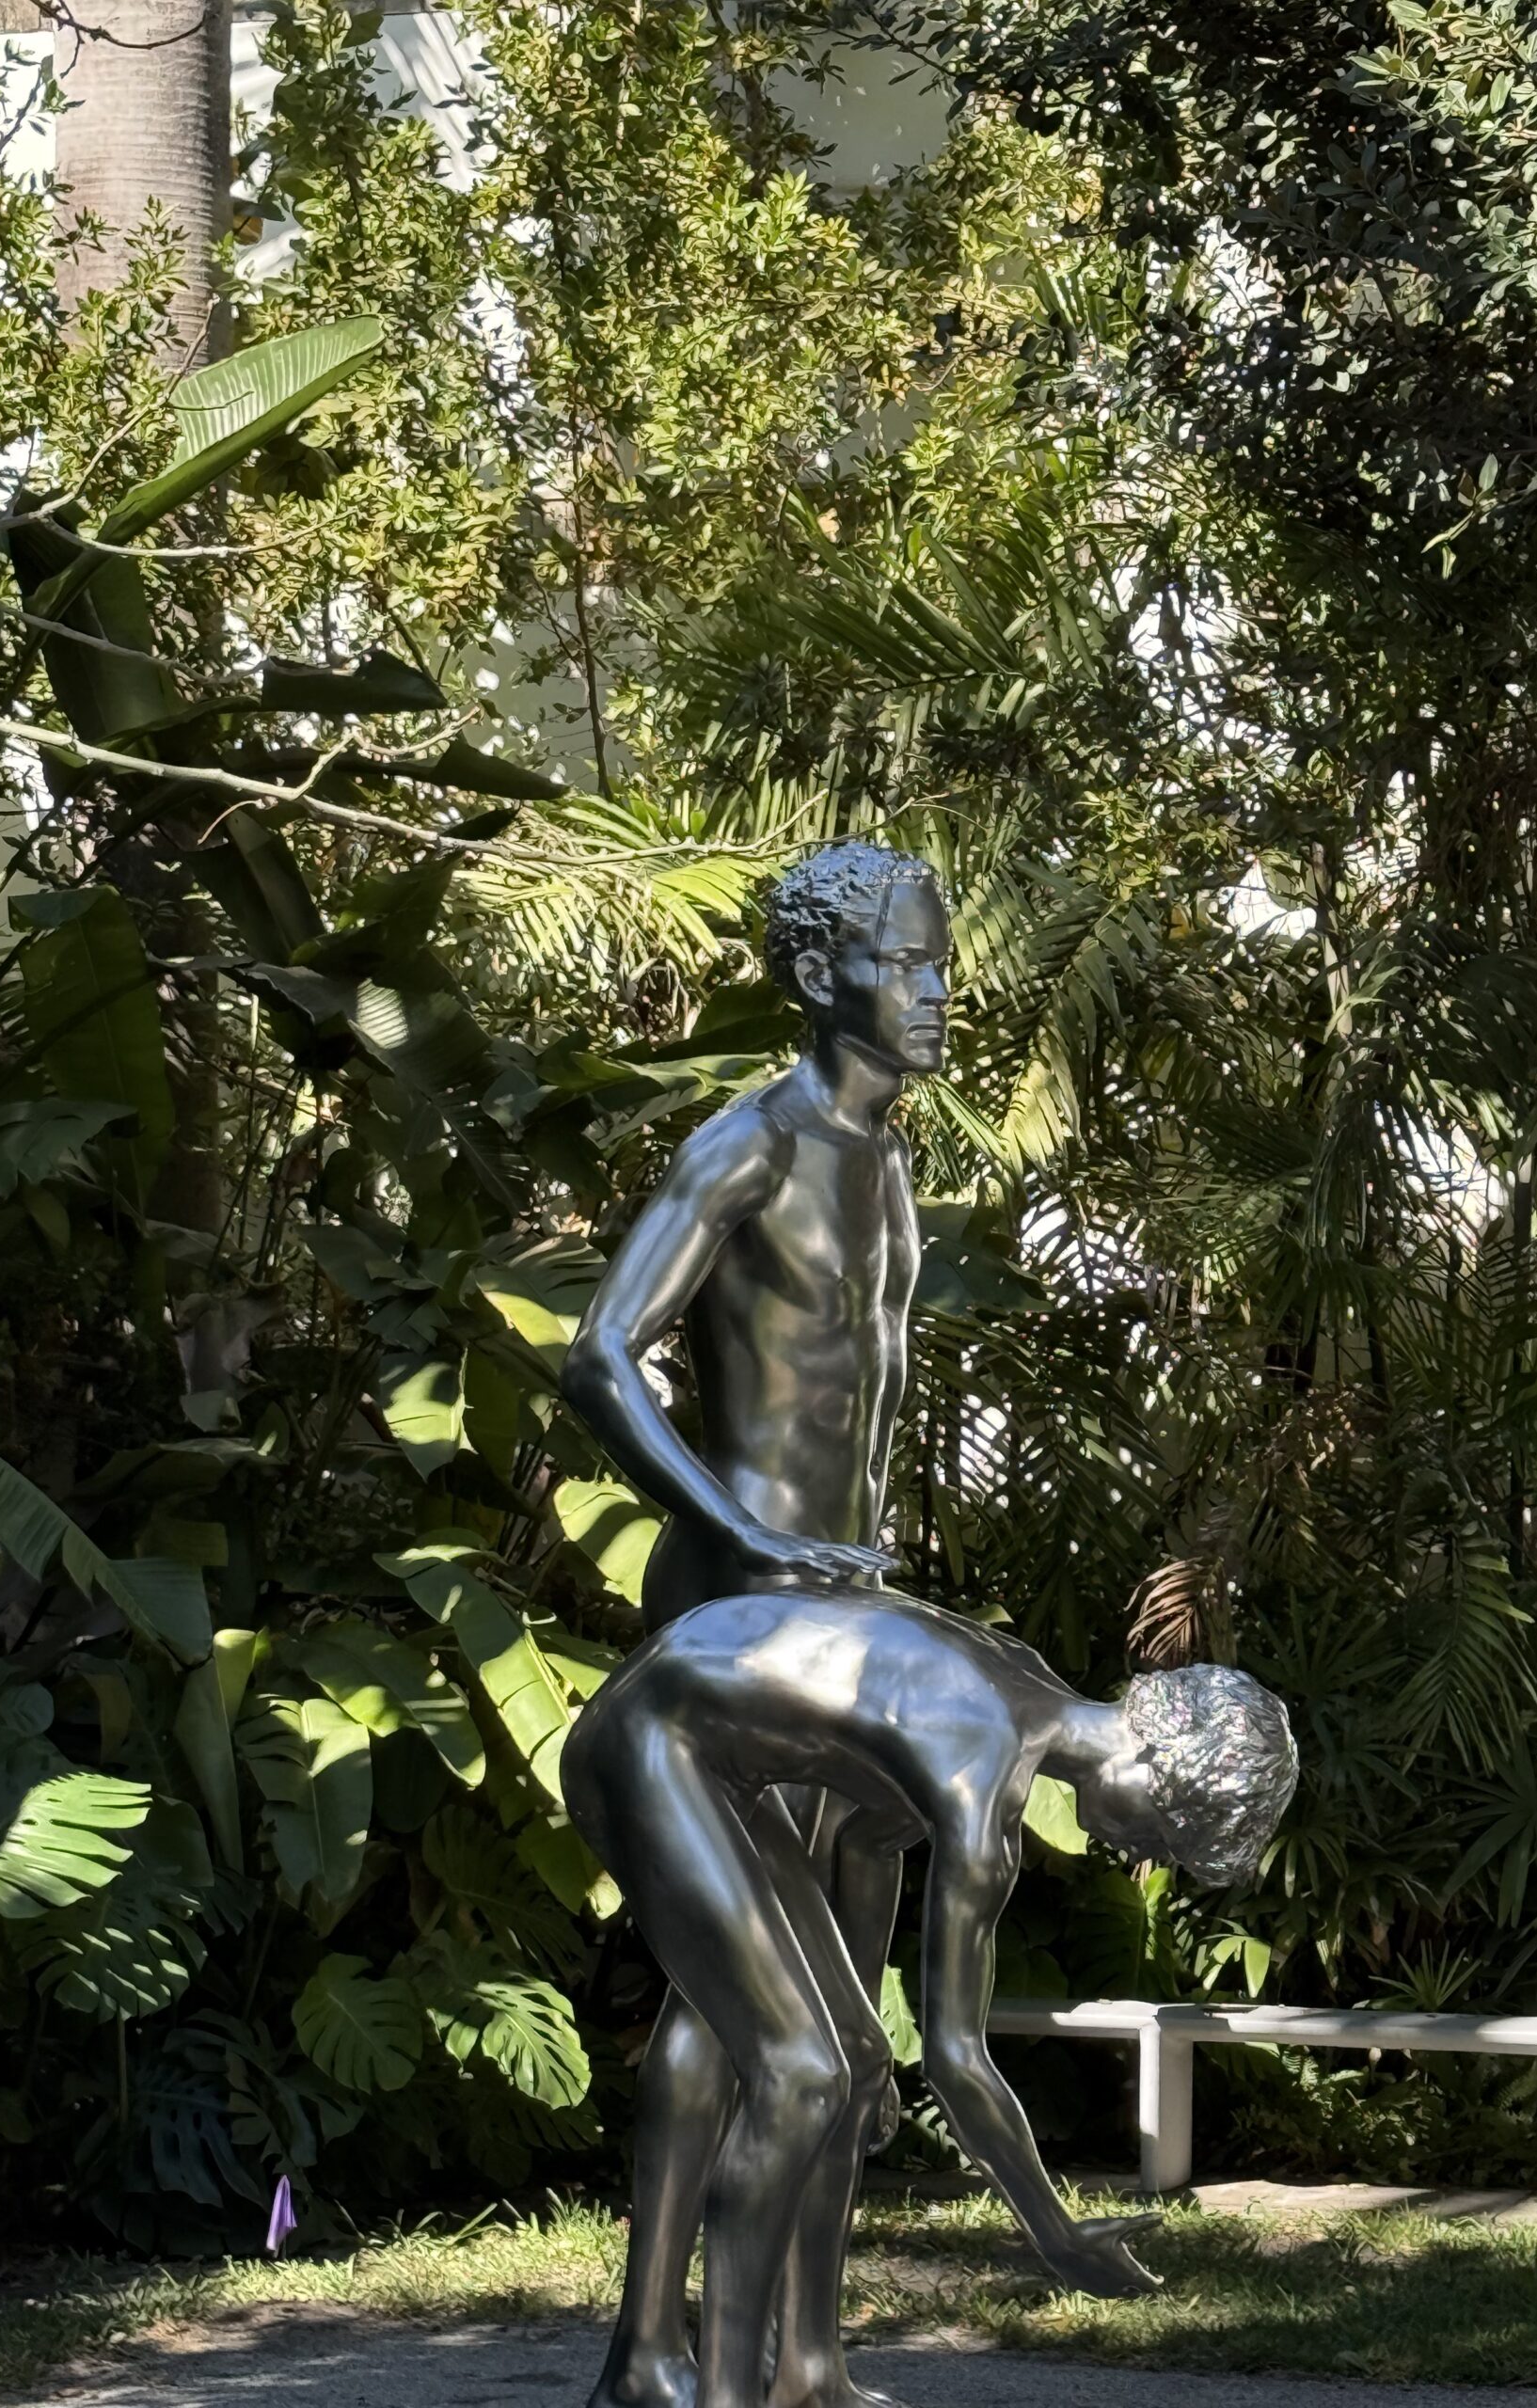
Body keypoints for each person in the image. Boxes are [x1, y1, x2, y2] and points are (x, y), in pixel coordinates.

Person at [562, 841, 951, 2408]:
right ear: (816, 975)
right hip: (740, 1623)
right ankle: (647, 2351)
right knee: (731, 2007)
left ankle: (804, 2354)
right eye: (904, 965)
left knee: (843, 1992)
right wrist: (738, 1528)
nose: (932, 993)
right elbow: (600, 1353)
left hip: (854, 1631)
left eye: (939, 965)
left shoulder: (888, 1164)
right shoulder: (750, 1144)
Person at [563, 1586, 1298, 2408]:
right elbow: (957, 2062)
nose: (1144, 1850)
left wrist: (862, 2035)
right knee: (801, 2076)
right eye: (1163, 1826)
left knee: (851, 2063)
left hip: (708, 1758)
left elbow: (870, 1843)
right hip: (647, 1745)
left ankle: (803, 2382)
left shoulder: (1021, 1686)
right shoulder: (984, 1778)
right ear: (1152, 1759)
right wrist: (1057, 2235)